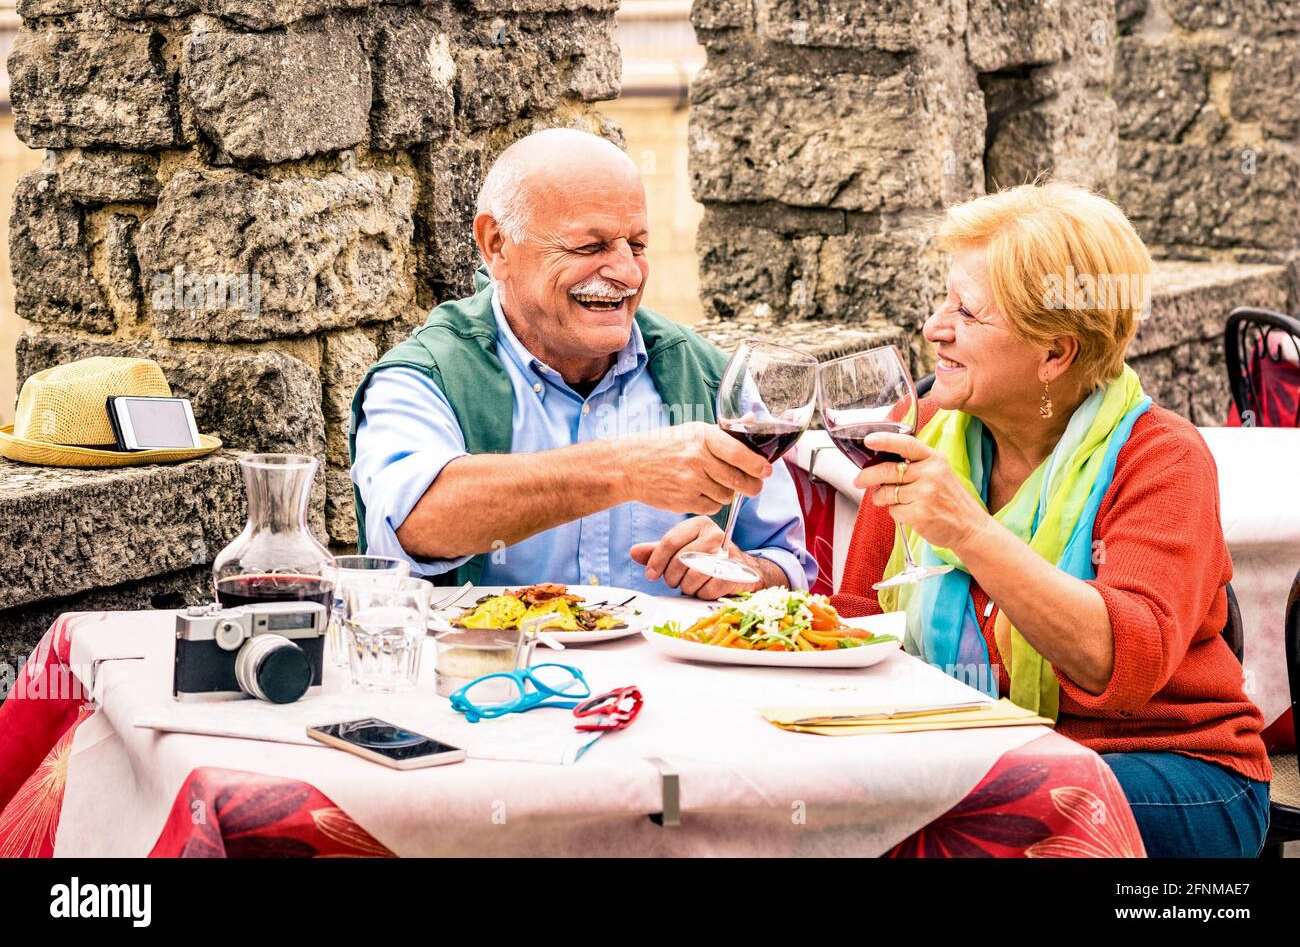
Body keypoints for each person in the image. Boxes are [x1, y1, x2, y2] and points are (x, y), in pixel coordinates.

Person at [832, 182, 1271, 857]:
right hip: (964, 752)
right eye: (943, 300)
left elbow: (1119, 665)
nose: (934, 328)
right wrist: (750, 594)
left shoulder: (1162, 459)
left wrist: (971, 533)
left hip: (1172, 768)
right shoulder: (920, 431)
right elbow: (857, 622)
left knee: (984, 812)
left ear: (1055, 354)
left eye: (968, 313)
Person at [349, 128, 815, 599]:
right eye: (589, 247)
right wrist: (625, 468)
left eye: (636, 245)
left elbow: (789, 564)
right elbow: (414, 522)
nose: (628, 273)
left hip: (674, 673)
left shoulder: (709, 376)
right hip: (494, 671)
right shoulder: (424, 375)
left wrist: (744, 570)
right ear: (497, 245)